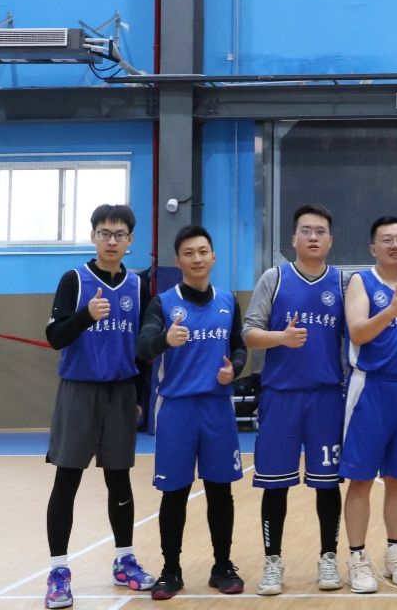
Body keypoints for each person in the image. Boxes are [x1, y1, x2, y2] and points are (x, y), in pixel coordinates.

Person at [43, 203, 154, 609]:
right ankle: (58, 572)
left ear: (130, 240)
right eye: (104, 233)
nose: (111, 241)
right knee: (67, 480)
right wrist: (85, 316)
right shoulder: (74, 280)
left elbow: (142, 349)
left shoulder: (138, 287)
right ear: (93, 237)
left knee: (120, 480)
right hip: (79, 391)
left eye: (119, 234)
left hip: (121, 392)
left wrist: (139, 398)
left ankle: (125, 561)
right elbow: (55, 337)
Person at [136, 225, 248, 600]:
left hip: (217, 408)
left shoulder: (228, 301)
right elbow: (143, 347)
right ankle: (171, 570)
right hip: (177, 410)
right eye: (189, 253)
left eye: (203, 251)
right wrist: (165, 339)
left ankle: (223, 566)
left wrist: (234, 368)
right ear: (178, 260)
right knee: (174, 493)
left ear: (213, 256)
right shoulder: (163, 303)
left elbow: (239, 348)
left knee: (220, 490)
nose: (197, 258)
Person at [242, 205, 346, 594]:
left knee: (327, 484)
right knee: (275, 485)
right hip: (280, 396)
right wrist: (281, 338)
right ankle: (273, 562)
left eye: (320, 231)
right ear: (293, 239)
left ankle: (328, 558)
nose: (313, 237)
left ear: (330, 240)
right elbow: (250, 333)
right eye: (306, 230)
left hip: (325, 398)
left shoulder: (342, 283)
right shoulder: (275, 278)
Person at [341, 217, 397, 593]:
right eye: (387, 239)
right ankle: (357, 558)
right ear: (373, 248)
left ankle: (395, 554)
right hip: (369, 388)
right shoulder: (362, 281)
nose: (395, 245)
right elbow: (357, 332)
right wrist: (391, 312)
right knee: (360, 479)